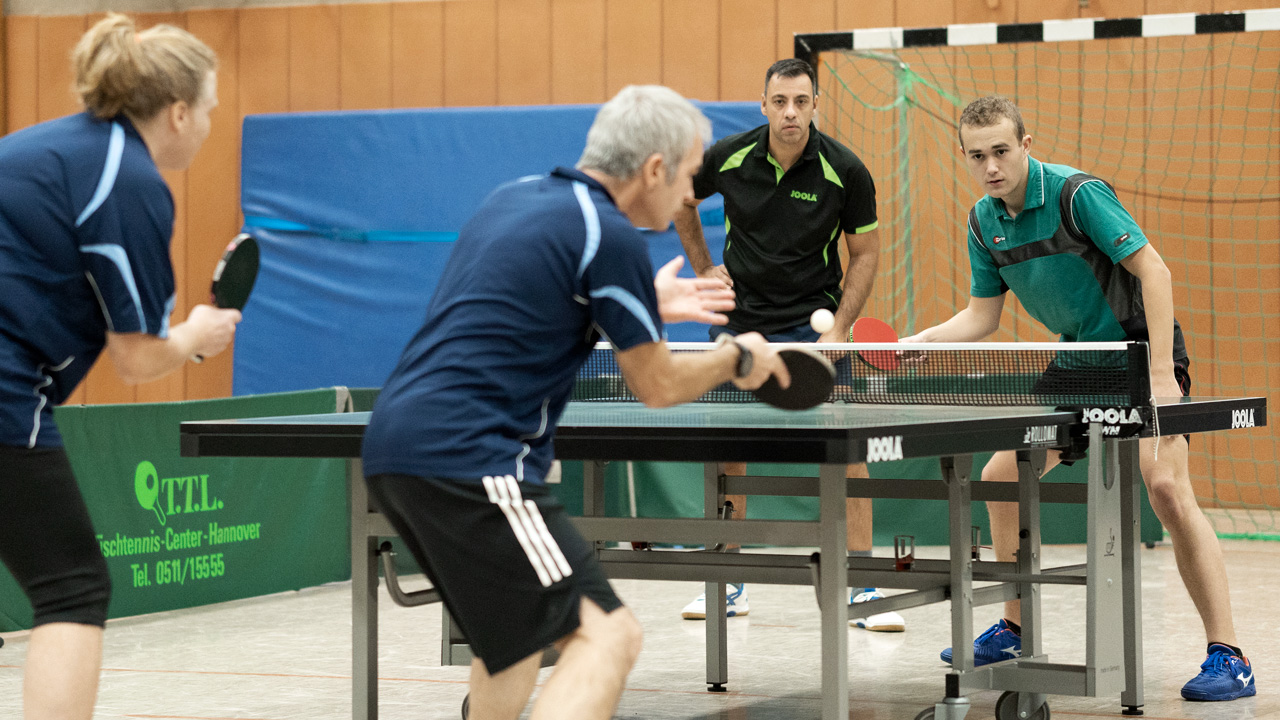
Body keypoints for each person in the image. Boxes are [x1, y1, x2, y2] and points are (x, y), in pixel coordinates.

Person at [360, 85, 790, 720]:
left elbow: (529, 297)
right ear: (654, 169)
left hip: (395, 447)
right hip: (472, 456)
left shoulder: (514, 198)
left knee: (511, 642)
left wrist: (643, 302)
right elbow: (658, 385)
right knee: (606, 635)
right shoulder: (608, 234)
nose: (688, 196)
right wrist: (738, 356)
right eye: (688, 177)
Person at [904, 95, 1253, 702]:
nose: (991, 166)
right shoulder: (983, 221)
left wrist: (1162, 374)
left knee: (1166, 488)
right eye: (977, 155)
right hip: (1079, 360)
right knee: (1002, 477)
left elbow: (1155, 271)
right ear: (964, 155)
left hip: (1138, 352)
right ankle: (1014, 629)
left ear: (1026, 145)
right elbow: (983, 315)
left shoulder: (1075, 195)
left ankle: (1230, 656)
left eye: (1001, 151)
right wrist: (923, 340)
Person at [0, 14, 240, 720]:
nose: (211, 123)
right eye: (209, 108)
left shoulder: (41, 147)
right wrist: (194, 335)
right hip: (5, 389)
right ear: (178, 112)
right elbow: (136, 359)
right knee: (72, 587)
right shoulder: (128, 182)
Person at [672, 58, 903, 632]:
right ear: (764, 105)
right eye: (780, 102)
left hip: (813, 328)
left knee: (846, 453)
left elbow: (865, 254)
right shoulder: (728, 157)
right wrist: (702, 268)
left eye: (801, 101)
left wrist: (841, 327)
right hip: (740, 324)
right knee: (727, 449)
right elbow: (681, 200)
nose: (790, 112)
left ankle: (862, 581)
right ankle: (726, 579)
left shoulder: (845, 171)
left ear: (815, 104)